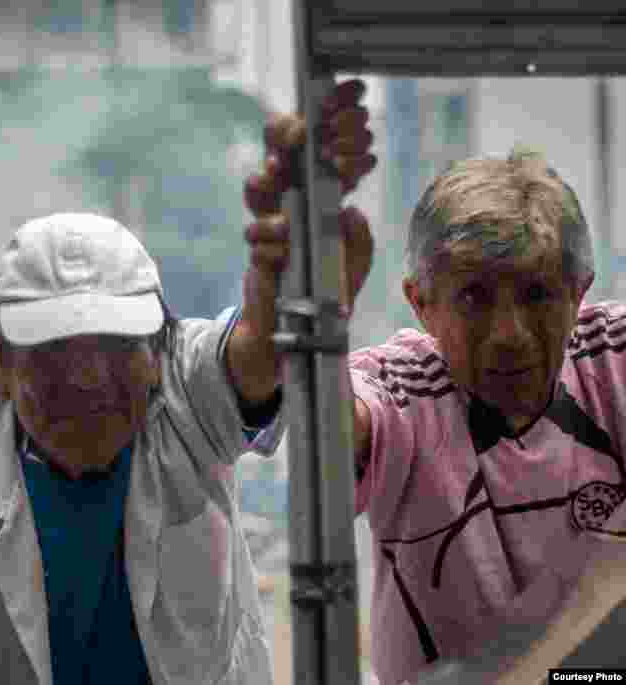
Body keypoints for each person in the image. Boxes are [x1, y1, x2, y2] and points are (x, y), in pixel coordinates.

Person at [0, 83, 373, 685]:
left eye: (118, 348)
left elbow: (260, 350)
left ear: (159, 352)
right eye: (52, 352)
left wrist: (302, 235)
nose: (90, 380)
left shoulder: (180, 395)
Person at [254, 91, 626, 683]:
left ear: (579, 293)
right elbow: (332, 434)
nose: (510, 336)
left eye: (537, 295)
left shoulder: (614, 358)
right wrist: (317, 314)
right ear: (420, 304)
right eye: (474, 298)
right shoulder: (402, 388)